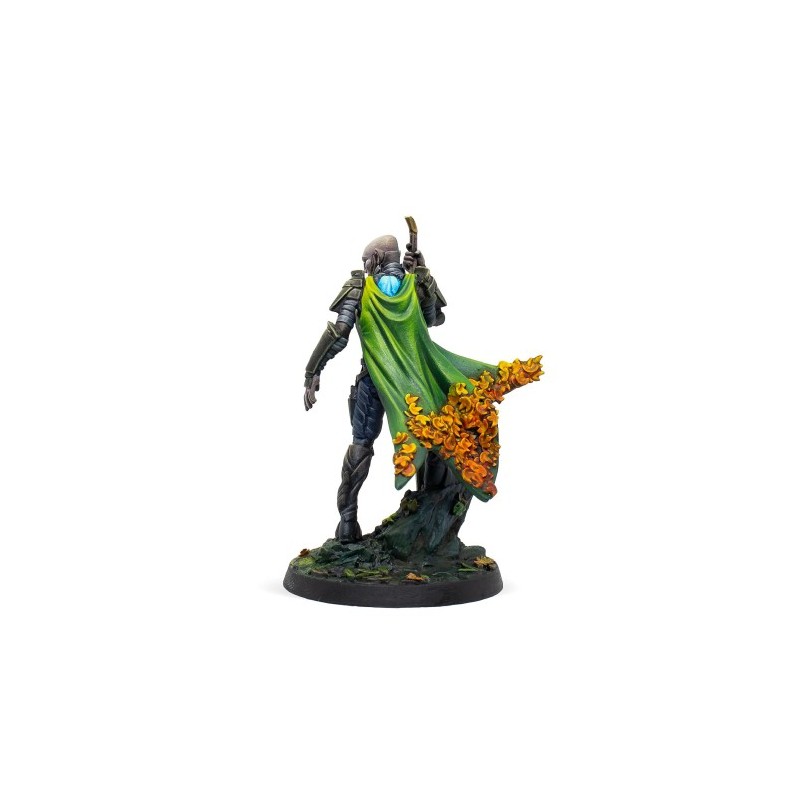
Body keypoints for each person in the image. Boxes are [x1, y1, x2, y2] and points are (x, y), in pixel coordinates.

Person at [303, 234, 446, 543]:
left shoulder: (360, 288)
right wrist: (423, 276)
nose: (364, 265)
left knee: (362, 444)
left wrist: (312, 370)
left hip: (374, 380)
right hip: (413, 382)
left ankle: (347, 522)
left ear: (377, 258)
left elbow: (339, 333)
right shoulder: (416, 285)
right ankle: (425, 510)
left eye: (366, 259)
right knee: (427, 438)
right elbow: (432, 318)